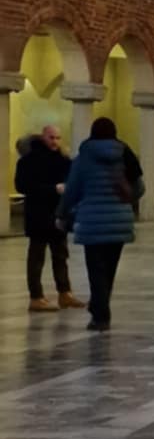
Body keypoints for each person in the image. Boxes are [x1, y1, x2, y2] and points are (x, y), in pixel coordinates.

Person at [58, 117, 143, 331]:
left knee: (95, 270)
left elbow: (72, 190)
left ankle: (100, 315)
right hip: (120, 221)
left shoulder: (84, 157)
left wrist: (61, 214)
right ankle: (99, 308)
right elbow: (139, 188)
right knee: (109, 270)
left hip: (92, 222)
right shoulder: (125, 154)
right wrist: (126, 200)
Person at [16, 125, 84, 313]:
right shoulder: (28, 161)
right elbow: (22, 186)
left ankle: (65, 293)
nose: (55, 142)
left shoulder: (62, 160)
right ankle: (36, 296)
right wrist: (53, 189)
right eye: (51, 137)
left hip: (58, 213)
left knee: (60, 255)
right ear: (43, 137)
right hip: (38, 214)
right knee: (37, 257)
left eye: (58, 138)